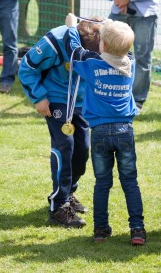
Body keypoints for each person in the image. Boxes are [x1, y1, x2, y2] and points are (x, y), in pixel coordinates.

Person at [64, 13, 146, 245]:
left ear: (102, 44)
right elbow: (122, 48)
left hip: (99, 132)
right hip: (125, 131)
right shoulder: (130, 63)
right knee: (130, 181)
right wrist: (110, 29)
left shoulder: (91, 64)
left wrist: (72, 27)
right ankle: (137, 230)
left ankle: (101, 229)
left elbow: (74, 50)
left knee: (102, 183)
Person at [18, 17, 103, 228]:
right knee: (65, 147)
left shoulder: (100, 38)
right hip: (56, 99)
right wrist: (38, 96)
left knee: (82, 150)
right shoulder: (55, 40)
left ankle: (69, 192)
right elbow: (27, 66)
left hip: (81, 102)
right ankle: (59, 206)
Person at [106, 0, 161, 112]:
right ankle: (108, 95)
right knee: (107, 53)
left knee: (142, 59)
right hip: (118, 9)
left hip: (146, 14)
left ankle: (136, 102)